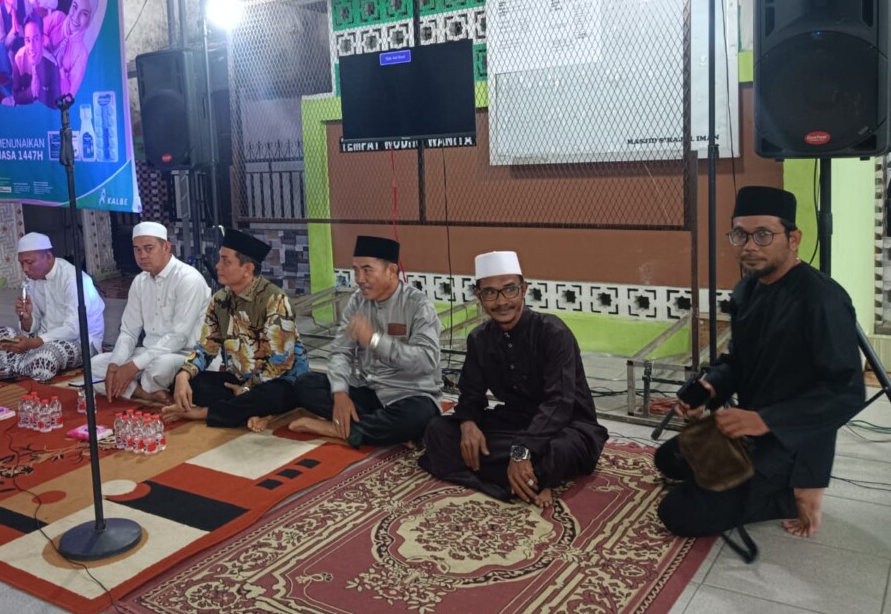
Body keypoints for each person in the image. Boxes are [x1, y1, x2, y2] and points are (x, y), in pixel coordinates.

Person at [654, 186, 866, 540]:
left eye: (763, 234)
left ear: (793, 238)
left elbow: (845, 393)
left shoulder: (822, 300)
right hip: (746, 431)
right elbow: (738, 361)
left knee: (678, 514)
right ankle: (745, 480)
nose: (749, 246)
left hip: (791, 444)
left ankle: (785, 495)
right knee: (670, 459)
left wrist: (765, 421)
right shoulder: (747, 290)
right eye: (740, 234)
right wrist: (709, 388)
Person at [419, 251, 608, 506]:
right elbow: (471, 395)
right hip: (514, 423)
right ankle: (526, 479)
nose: (501, 301)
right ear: (479, 296)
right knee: (438, 430)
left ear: (524, 289)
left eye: (509, 289)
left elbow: (559, 404)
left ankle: (509, 472)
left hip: (567, 425)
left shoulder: (553, 333)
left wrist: (521, 452)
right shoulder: (480, 338)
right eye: (490, 293)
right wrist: (468, 423)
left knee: (560, 451)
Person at [284, 236, 442, 446]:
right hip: (369, 390)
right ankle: (376, 429)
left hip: (409, 394)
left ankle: (338, 429)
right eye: (355, 270)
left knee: (421, 416)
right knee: (306, 384)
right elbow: (341, 351)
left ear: (391, 271)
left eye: (367, 270)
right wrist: (340, 393)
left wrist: (375, 340)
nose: (359, 278)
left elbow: (426, 362)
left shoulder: (418, 305)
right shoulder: (357, 301)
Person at [161, 228, 308, 427]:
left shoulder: (274, 299)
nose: (217, 266)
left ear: (247, 269)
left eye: (225, 261)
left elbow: (281, 362)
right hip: (238, 379)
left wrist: (249, 388)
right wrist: (183, 375)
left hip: (279, 381)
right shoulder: (220, 300)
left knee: (270, 397)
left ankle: (203, 413)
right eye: (220, 259)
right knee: (188, 384)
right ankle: (246, 410)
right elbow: (207, 346)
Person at [91, 221, 211, 404]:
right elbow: (129, 331)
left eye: (149, 248)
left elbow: (179, 337)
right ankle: (146, 394)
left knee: (158, 368)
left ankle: (135, 387)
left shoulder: (188, 279)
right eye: (137, 250)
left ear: (166, 247)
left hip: (184, 354)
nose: (142, 255)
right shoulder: (139, 282)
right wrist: (116, 365)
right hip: (148, 352)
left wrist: (132, 367)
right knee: (97, 365)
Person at [0, 232, 105, 383]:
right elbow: (33, 326)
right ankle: (23, 364)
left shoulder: (74, 280)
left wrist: (33, 343)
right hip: (40, 340)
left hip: (79, 341)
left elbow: (73, 329)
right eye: (21, 263)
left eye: (29, 262)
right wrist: (27, 318)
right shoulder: (32, 280)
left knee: (48, 355)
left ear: (48, 257)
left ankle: (9, 365)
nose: (25, 268)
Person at [45, 0, 96, 98]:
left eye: (84, 13)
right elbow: (35, 32)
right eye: (75, 6)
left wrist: (61, 68)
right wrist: (46, 43)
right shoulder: (57, 18)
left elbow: (67, 96)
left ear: (89, 20)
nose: (76, 16)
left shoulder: (81, 54)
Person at [14, 15, 61, 108]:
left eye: (35, 39)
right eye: (28, 40)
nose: (31, 47)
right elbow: (16, 96)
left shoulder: (52, 64)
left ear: (42, 40)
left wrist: (40, 93)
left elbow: (56, 103)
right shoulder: (18, 59)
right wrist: (30, 92)